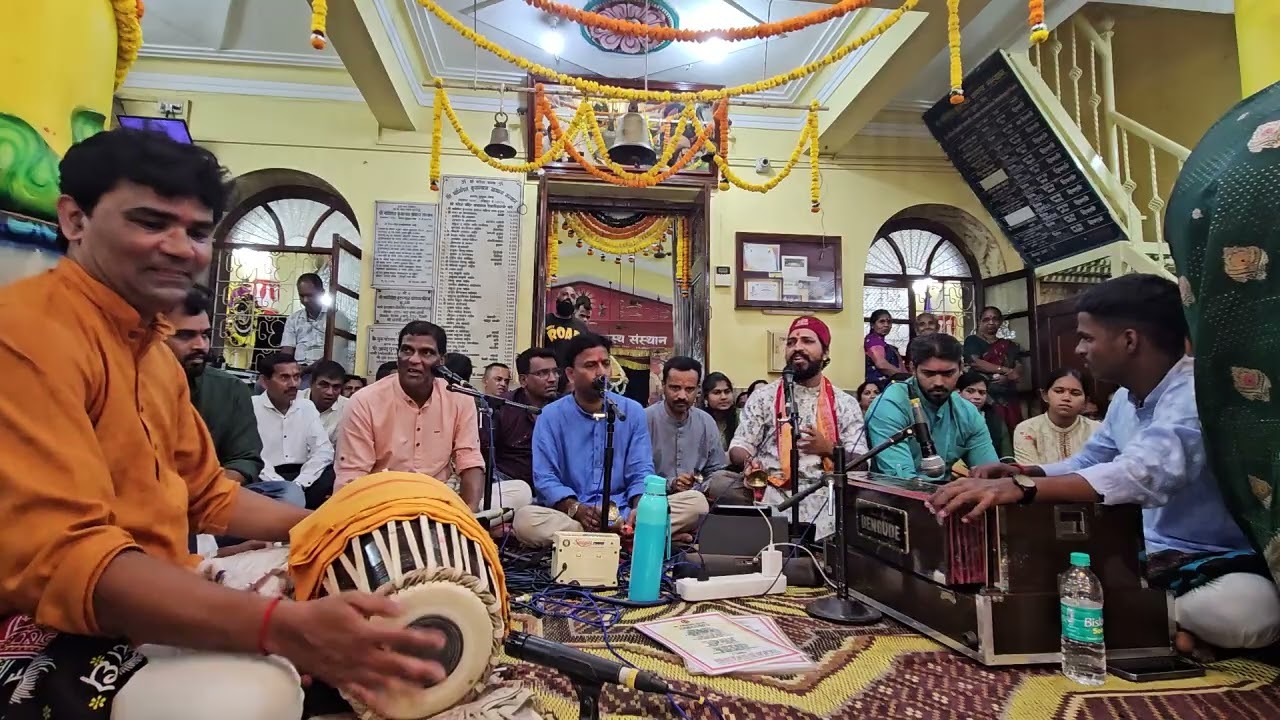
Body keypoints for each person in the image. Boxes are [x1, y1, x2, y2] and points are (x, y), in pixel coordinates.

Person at [0, 128, 446, 719]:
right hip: (51, 621)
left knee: (371, 587)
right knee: (251, 696)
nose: (180, 248)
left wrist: (337, 530)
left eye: (197, 232)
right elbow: (68, 560)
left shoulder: (153, 353)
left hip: (158, 579)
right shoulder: (26, 336)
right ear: (74, 219)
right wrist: (281, 629)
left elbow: (209, 498)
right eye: (150, 222)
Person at [928, 274, 1280, 654]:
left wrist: (1021, 490)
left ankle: (1153, 619)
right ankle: (1161, 624)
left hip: (1210, 562)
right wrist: (1029, 472)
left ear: (1129, 340)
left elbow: (1144, 474)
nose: (1079, 349)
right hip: (1138, 552)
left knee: (1250, 612)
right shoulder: (1126, 400)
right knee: (1041, 565)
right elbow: (1092, 460)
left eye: (1087, 337)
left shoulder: (1195, 394)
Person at [513, 334, 709, 547]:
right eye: (590, 365)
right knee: (525, 520)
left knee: (696, 503)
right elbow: (545, 477)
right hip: (573, 516)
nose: (601, 372)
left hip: (623, 511)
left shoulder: (631, 411)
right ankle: (633, 538)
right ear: (570, 374)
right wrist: (577, 509)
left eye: (605, 363)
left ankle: (608, 538)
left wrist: (639, 508)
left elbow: (640, 469)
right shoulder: (550, 416)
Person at [727, 317, 867, 538]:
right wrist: (748, 461)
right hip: (770, 495)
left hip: (826, 501)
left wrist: (829, 448)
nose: (797, 347)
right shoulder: (763, 397)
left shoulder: (845, 404)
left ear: (825, 352)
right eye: (791, 342)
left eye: (807, 341)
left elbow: (862, 465)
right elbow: (739, 445)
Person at [336, 321, 485, 509]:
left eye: (426, 352)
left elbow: (469, 460)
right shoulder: (363, 402)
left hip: (438, 501)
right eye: (407, 350)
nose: (414, 360)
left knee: (517, 492)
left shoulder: (459, 399)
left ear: (442, 361)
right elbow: (352, 476)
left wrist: (469, 513)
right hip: (380, 503)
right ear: (397, 355)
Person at [164, 284, 264, 489]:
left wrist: (205, 493)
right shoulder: (128, 384)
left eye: (205, 335)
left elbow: (244, 460)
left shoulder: (230, 389)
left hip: (212, 497)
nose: (200, 345)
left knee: (286, 493)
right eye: (185, 335)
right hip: (141, 501)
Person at [865, 333, 999, 479]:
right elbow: (902, 481)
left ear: (961, 368)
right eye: (929, 373)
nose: (939, 382)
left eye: (948, 373)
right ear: (912, 369)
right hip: (893, 497)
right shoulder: (890, 405)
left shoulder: (968, 412)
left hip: (947, 495)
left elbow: (990, 474)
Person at [254, 352, 333, 510]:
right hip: (264, 478)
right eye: (284, 378)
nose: (293, 384)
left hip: (304, 478)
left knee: (333, 473)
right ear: (264, 381)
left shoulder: (306, 407)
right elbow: (252, 455)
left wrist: (299, 483)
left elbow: (323, 450)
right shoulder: (251, 408)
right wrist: (284, 487)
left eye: (296, 377)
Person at [645, 357, 732, 498]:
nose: (682, 396)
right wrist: (670, 484)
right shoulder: (645, 419)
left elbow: (716, 472)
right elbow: (635, 473)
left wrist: (698, 485)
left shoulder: (706, 422)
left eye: (689, 389)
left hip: (697, 498)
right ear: (663, 386)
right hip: (652, 498)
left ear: (698, 390)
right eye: (675, 388)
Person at [484, 348, 559, 490]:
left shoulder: (563, 407)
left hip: (554, 484)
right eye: (543, 373)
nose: (552, 379)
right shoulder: (502, 407)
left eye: (555, 372)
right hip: (510, 485)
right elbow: (486, 457)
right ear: (524, 380)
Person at [1013, 368, 1099, 466]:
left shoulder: (1097, 430)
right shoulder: (1027, 429)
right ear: (1044, 395)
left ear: (1085, 401)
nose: (1066, 398)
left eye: (1075, 393)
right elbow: (1031, 475)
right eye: (1059, 391)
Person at [963, 306, 1025, 433]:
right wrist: (1005, 370)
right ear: (980, 321)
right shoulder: (973, 341)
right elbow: (976, 363)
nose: (991, 322)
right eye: (986, 319)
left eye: (995, 319)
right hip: (984, 394)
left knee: (1011, 430)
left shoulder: (1010, 345)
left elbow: (1018, 367)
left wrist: (1008, 376)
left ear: (1001, 322)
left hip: (1007, 394)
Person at [956, 371, 1013, 461]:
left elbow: (1006, 454)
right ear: (958, 393)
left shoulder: (994, 418)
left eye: (982, 393)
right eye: (970, 391)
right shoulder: (948, 416)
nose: (977, 397)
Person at [279, 272, 328, 376]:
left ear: (322, 293)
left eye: (310, 295)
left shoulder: (334, 318)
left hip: (323, 371)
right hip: (297, 370)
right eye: (302, 296)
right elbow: (286, 351)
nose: (305, 300)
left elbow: (334, 353)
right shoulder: (293, 319)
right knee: (261, 385)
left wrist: (307, 370)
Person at [301, 359, 349, 446]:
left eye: (336, 387)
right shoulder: (293, 401)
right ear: (311, 383)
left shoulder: (349, 408)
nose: (330, 392)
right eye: (324, 385)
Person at [544, 286, 590, 367]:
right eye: (565, 294)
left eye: (572, 296)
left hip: (572, 375)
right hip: (549, 372)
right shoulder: (545, 321)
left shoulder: (581, 327)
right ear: (557, 299)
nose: (568, 298)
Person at [864, 309, 906, 389]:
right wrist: (905, 378)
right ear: (873, 325)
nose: (886, 325)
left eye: (889, 322)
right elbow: (881, 365)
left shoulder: (889, 347)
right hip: (879, 387)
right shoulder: (873, 340)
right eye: (882, 321)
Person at [700, 371, 739, 452]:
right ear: (706, 397)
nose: (723, 397)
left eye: (727, 392)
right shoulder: (698, 420)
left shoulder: (742, 417)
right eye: (717, 392)